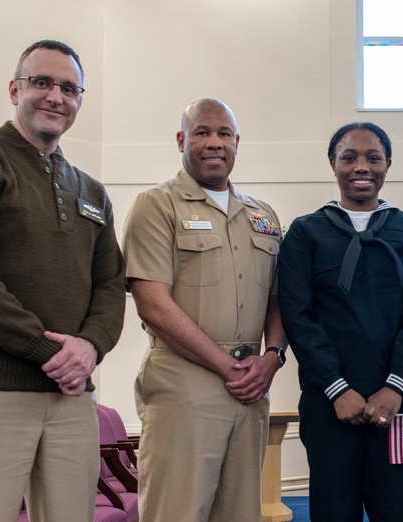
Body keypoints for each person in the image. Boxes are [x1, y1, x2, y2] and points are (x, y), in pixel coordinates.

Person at [0, 40, 126, 522]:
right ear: (15, 88)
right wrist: (51, 351)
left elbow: (111, 286)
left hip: (71, 397)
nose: (55, 96)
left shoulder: (91, 191)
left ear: (79, 101)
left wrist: (91, 349)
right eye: (41, 82)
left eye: (68, 88)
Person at [122, 98, 287, 522]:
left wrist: (272, 358)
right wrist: (226, 366)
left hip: (250, 387)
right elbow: (153, 304)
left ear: (237, 142)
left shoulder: (263, 215)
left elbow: (279, 298)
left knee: (240, 514)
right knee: (176, 512)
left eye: (224, 134)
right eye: (201, 132)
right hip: (184, 382)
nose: (214, 143)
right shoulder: (157, 206)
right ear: (181, 140)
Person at [277, 122, 403, 521]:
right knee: (333, 510)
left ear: (388, 164)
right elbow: (299, 316)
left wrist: (395, 386)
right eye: (349, 157)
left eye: (373, 157)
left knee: (402, 510)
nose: (361, 167)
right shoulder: (305, 232)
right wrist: (337, 388)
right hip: (328, 405)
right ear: (332, 163)